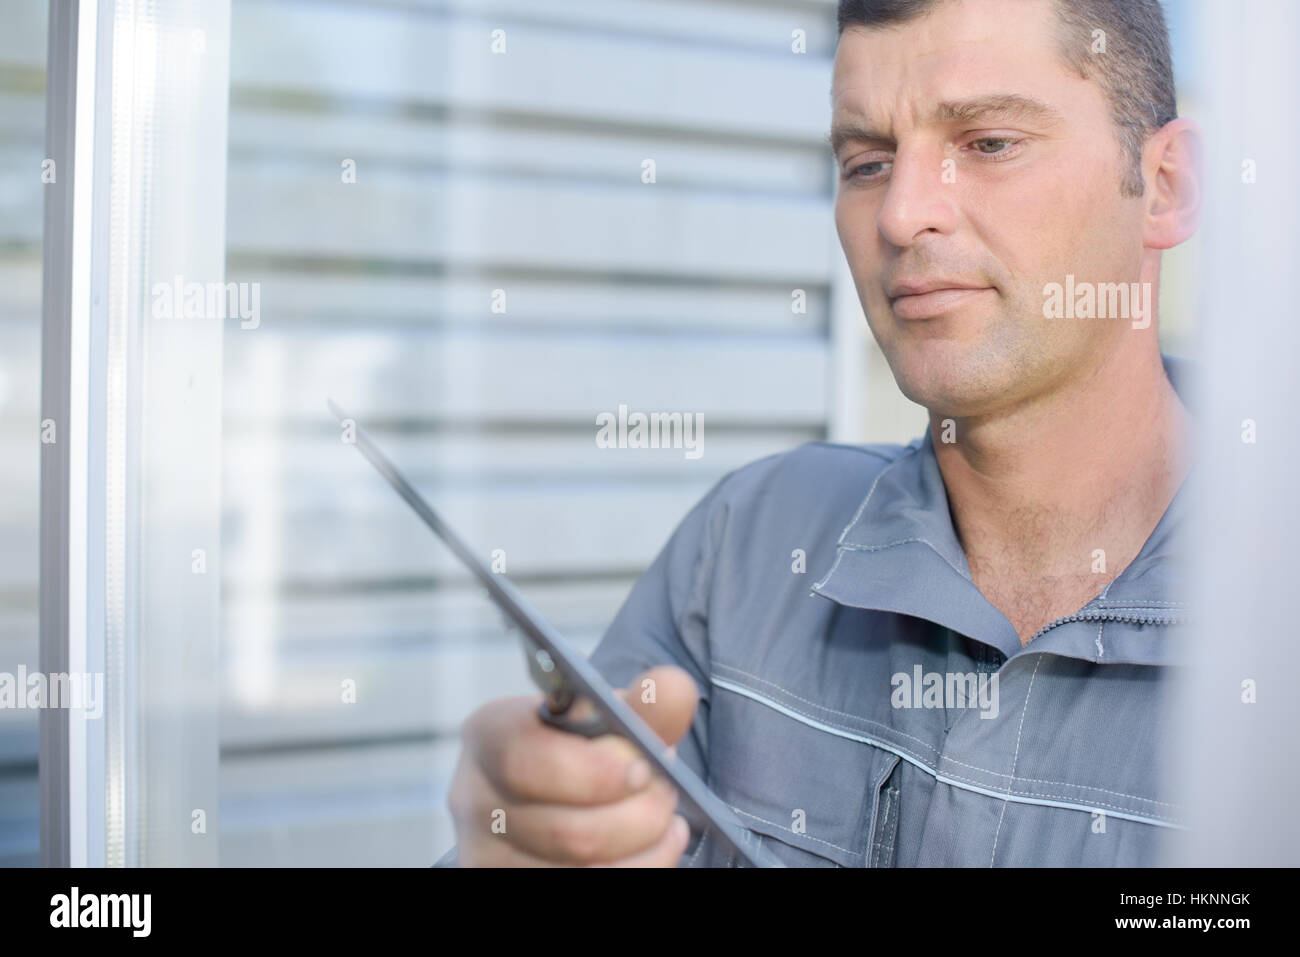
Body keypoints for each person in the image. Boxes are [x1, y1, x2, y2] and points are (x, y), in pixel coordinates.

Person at [438, 0, 1201, 866]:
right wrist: (527, 833)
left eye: (987, 143)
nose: (902, 214)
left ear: (1165, 185)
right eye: (867, 162)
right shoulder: (748, 552)